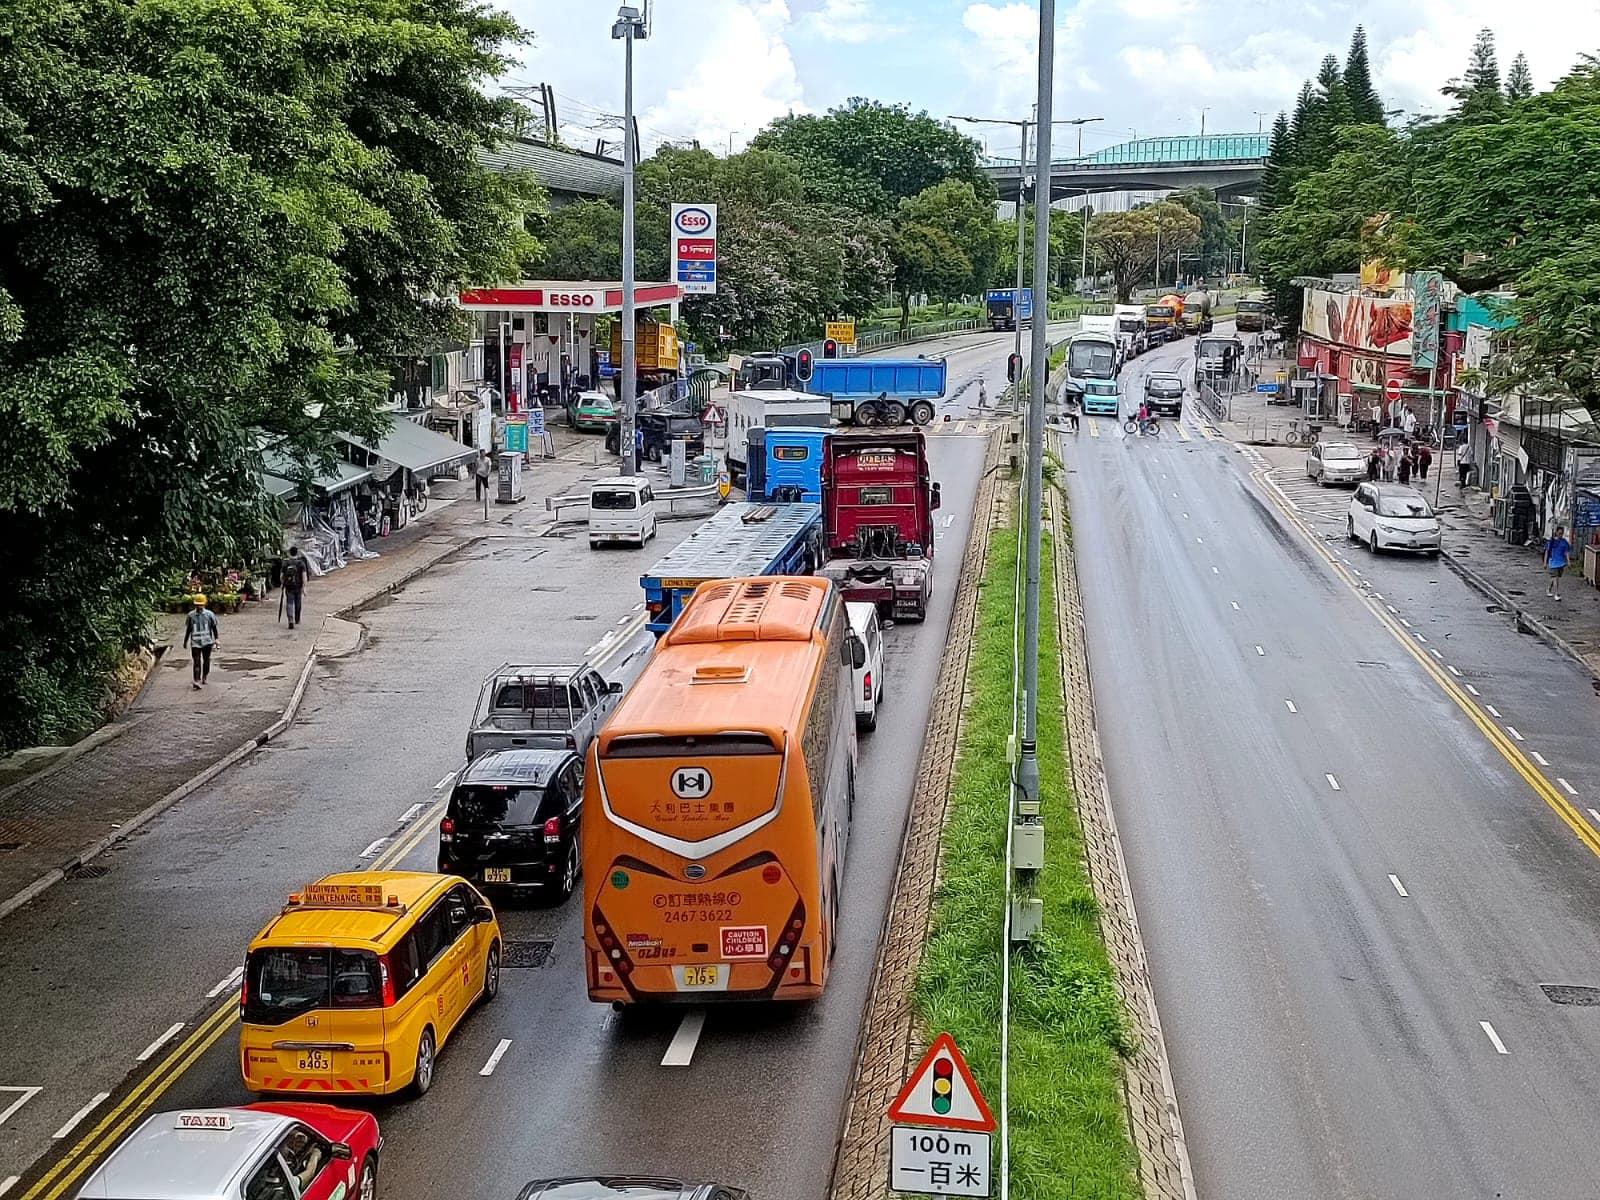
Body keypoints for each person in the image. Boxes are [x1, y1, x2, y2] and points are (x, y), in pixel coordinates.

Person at [183, 594, 219, 690]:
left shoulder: (210, 615)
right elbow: (189, 629)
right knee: (196, 662)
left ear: (204, 604)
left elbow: (214, 628)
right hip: (195, 642)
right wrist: (185, 641)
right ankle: (196, 680)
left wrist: (216, 639)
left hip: (207, 642)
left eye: (201, 605)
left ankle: (204, 677)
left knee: (206, 660)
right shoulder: (191, 616)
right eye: (197, 605)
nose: (199, 607)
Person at [281, 546, 308, 629]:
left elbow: (281, 575)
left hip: (289, 586)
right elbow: (304, 576)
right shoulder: (301, 563)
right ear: (297, 553)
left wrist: (283, 584)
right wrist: (304, 587)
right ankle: (297, 619)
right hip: (298, 586)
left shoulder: (286, 563)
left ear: (289, 553)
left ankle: (290, 620)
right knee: (298, 603)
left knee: (289, 602)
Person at [1546, 525, 1573, 599]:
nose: (1561, 535)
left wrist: (1568, 562)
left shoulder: (1564, 542)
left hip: (1561, 563)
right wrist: (1545, 562)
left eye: (1562, 533)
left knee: (1554, 578)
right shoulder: (1552, 542)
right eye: (1559, 533)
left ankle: (1548, 589)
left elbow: (1566, 552)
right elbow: (1547, 551)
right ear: (1556, 532)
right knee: (1556, 578)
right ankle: (1557, 593)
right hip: (1553, 562)